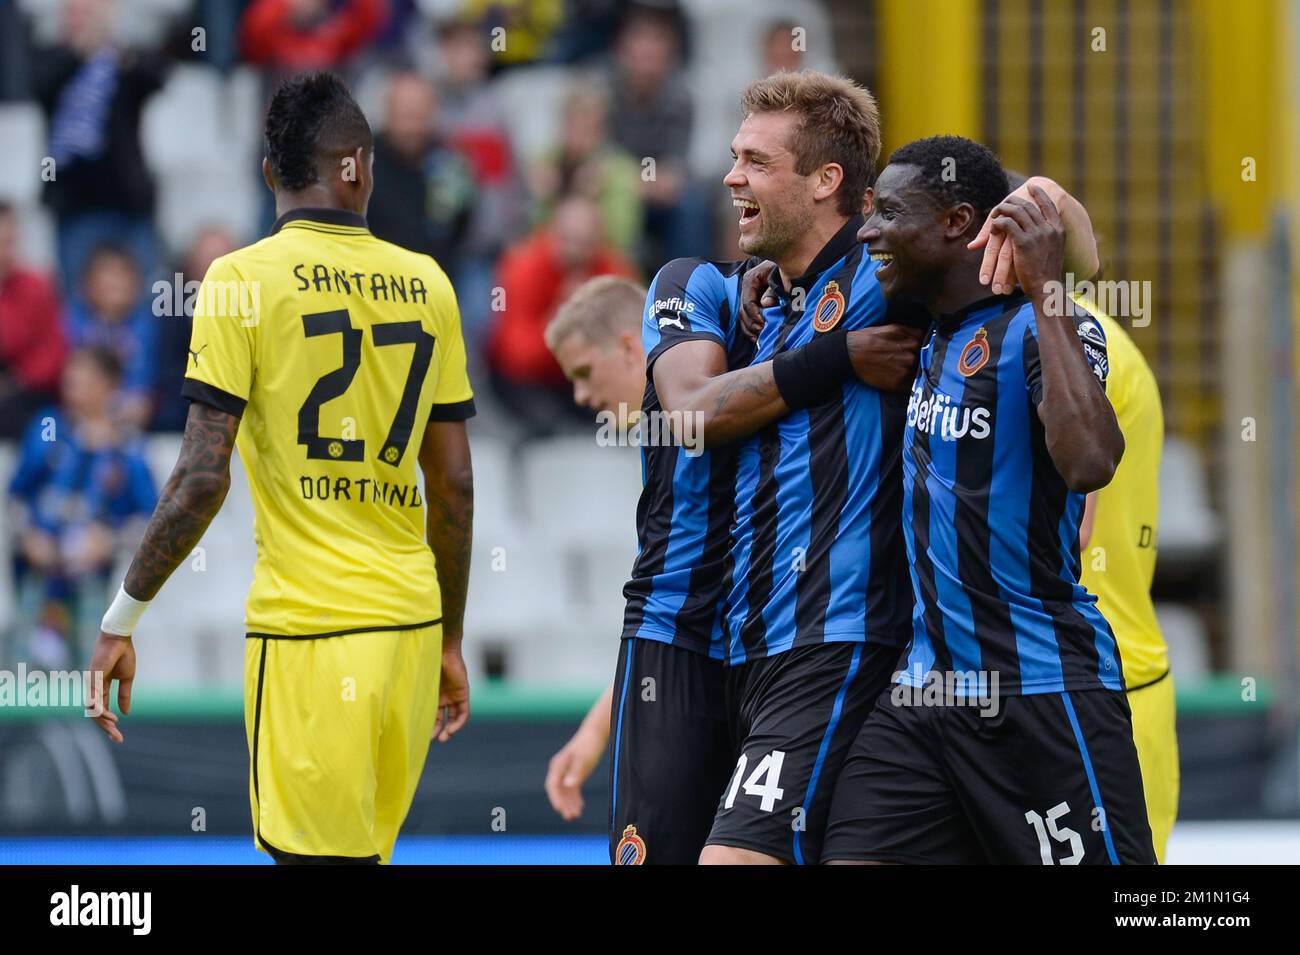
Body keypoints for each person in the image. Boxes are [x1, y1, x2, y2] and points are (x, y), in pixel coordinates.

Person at [84, 71, 476, 865]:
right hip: (409, 628)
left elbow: (201, 477)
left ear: (269, 174)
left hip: (312, 632)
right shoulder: (429, 283)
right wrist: (449, 640)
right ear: (360, 166)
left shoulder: (237, 281)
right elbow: (457, 484)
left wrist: (120, 620)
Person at [821, 136, 1154, 864]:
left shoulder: (1046, 328)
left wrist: (1048, 287)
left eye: (890, 213)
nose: (870, 230)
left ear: (955, 222)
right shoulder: (925, 327)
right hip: (926, 696)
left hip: (1041, 688)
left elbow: (1091, 460)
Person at [7, 347, 156, 669]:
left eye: (84, 380)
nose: (72, 387)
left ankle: (89, 715)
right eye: (70, 379)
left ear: (109, 386)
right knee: (21, 670)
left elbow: (150, 522)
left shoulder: (127, 447)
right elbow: (15, 497)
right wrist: (28, 536)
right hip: (38, 577)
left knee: (90, 671)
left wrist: (109, 541)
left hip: (94, 585)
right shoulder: (47, 428)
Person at [485, 193, 637, 437]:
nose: (576, 251)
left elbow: (631, 354)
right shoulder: (521, 267)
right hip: (531, 380)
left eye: (585, 242)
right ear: (552, 233)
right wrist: (563, 318)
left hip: (581, 376)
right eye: (569, 240)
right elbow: (516, 358)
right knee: (544, 421)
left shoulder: (614, 270)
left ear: (599, 240)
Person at [64, 243, 157, 430]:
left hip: (135, 424)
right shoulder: (70, 322)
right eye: (107, 273)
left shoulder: (149, 326)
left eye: (123, 274)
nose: (115, 283)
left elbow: (150, 381)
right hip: (76, 420)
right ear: (87, 283)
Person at [0, 202, 67, 440]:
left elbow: (53, 351)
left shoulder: (34, 286)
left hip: (23, 395)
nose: (7, 252)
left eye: (10, 242)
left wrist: (17, 380)